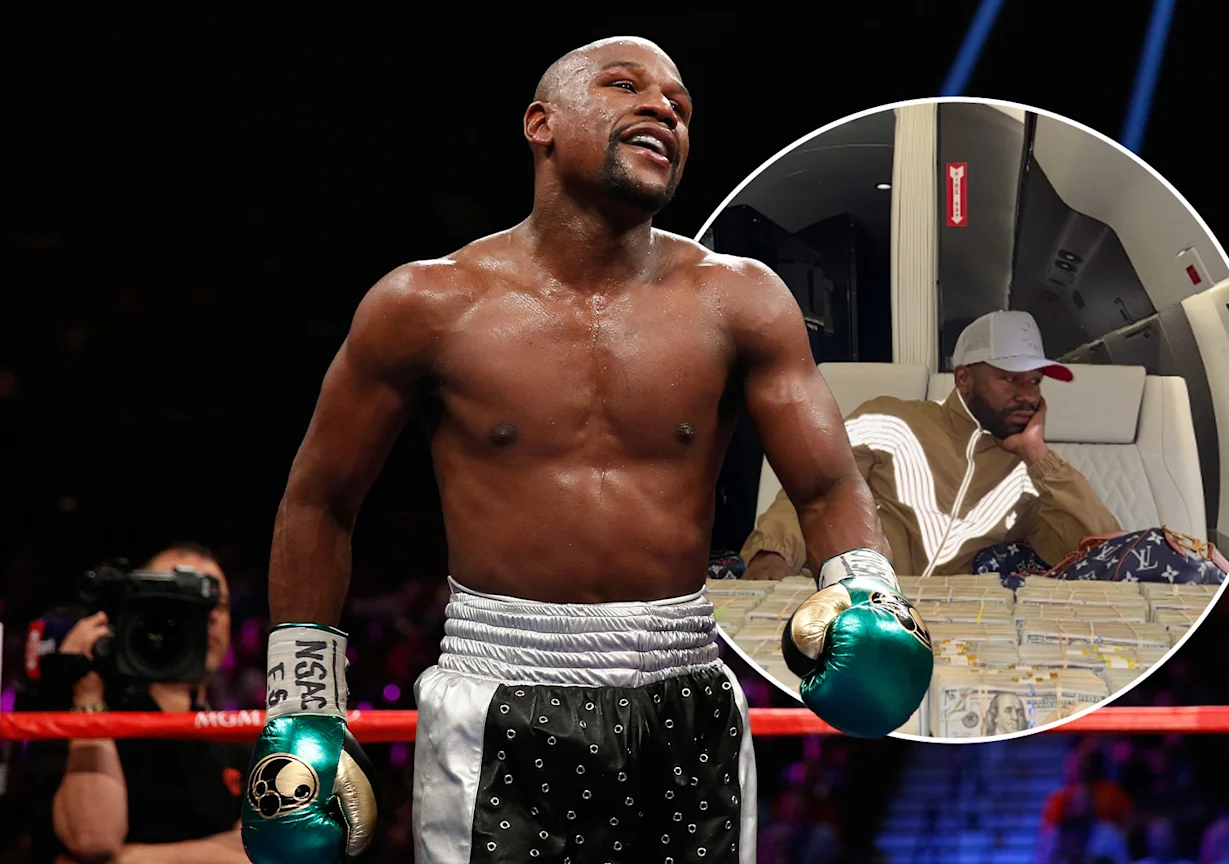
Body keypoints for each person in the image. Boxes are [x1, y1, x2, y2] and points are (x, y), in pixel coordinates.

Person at [238, 36, 932, 864]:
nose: (663, 110)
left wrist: (867, 592)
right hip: (501, 693)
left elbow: (826, 488)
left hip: (687, 698)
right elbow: (319, 502)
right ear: (541, 123)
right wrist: (302, 707)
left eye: (679, 105)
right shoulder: (426, 303)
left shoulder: (739, 299)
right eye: (624, 85)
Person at [739, 309, 1121, 582]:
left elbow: (1098, 552)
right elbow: (816, 487)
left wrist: (1037, 454)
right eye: (1010, 379)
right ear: (964, 378)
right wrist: (774, 552)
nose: (1027, 395)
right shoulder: (890, 419)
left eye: (1035, 382)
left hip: (953, 618)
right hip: (855, 596)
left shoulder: (1030, 475)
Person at [14, 542, 251, 864]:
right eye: (179, 600)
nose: (204, 617)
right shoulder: (75, 717)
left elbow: (253, 854)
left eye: (216, 604)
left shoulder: (237, 739)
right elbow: (93, 841)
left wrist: (127, 859)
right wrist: (87, 694)